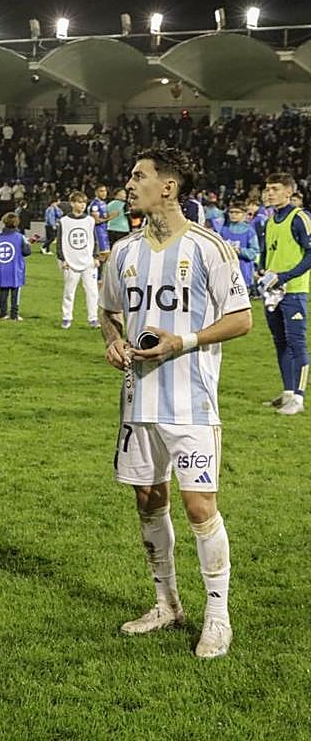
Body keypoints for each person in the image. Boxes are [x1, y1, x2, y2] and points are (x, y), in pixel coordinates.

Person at [99, 145, 252, 660]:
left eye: (137, 175)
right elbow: (109, 312)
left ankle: (217, 615)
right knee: (148, 498)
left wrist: (181, 342)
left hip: (191, 402)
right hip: (137, 398)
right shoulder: (122, 252)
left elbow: (241, 318)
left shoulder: (211, 248)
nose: (128, 184)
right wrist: (113, 341)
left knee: (199, 505)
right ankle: (167, 603)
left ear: (168, 186)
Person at [257, 172, 311, 415]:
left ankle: (299, 399)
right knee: (280, 341)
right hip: (273, 292)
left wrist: (285, 276)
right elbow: (269, 253)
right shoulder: (269, 220)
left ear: (289, 192)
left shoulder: (300, 218)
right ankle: (288, 392)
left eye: (275, 188)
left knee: (297, 343)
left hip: (294, 292)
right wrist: (262, 271)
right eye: (267, 188)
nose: (269, 193)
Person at [57, 190, 99, 329]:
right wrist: (62, 259)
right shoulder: (64, 221)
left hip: (88, 261)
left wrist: (95, 256)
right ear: (72, 203)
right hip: (70, 261)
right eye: (79, 202)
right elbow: (60, 241)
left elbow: (94, 239)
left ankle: (93, 318)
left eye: (84, 203)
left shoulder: (90, 220)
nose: (82, 206)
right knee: (69, 291)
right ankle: (66, 317)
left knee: (92, 291)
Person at [0, 212, 32, 321]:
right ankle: (14, 314)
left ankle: (3, 313)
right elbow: (26, 252)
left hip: (2, 269)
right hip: (15, 269)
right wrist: (28, 245)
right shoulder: (20, 237)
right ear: (16, 223)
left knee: (3, 292)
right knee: (15, 292)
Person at [218, 202, 260, 288]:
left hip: (243, 271)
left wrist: (240, 251)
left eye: (237, 212)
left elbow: (254, 253)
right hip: (226, 271)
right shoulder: (224, 230)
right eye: (231, 212)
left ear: (244, 214)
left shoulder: (249, 231)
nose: (233, 215)